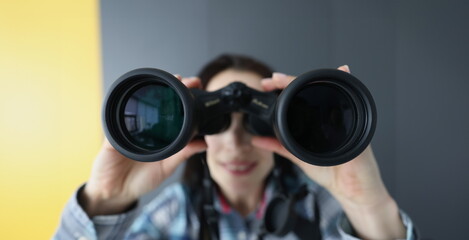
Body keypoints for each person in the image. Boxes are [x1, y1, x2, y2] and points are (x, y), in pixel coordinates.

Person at [53, 54, 417, 239]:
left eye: (256, 120)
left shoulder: (322, 211)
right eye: (217, 121)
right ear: (195, 130)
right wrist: (104, 198)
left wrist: (365, 202)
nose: (235, 143)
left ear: (284, 126)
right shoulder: (171, 216)